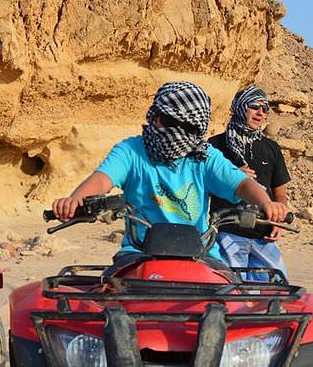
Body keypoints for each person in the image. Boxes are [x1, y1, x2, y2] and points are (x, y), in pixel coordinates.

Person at [52, 81, 287, 270]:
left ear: (196, 129)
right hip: (139, 253)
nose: (171, 130)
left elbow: (242, 183)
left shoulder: (204, 156)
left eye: (183, 126)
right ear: (154, 117)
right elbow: (103, 179)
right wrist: (75, 200)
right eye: (166, 121)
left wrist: (267, 204)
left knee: (226, 307)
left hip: (200, 254)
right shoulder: (131, 151)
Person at [208, 85, 291, 281]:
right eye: (254, 106)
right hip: (228, 233)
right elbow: (202, 188)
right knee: (233, 291)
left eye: (265, 109)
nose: (261, 113)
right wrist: (231, 177)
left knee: (278, 289)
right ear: (240, 107)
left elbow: (280, 194)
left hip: (264, 234)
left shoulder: (271, 148)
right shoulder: (215, 146)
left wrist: (278, 220)